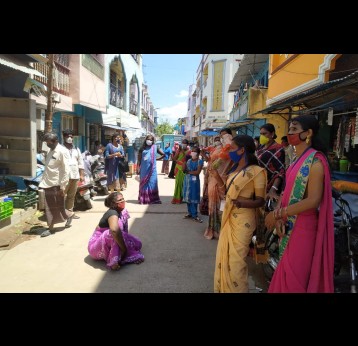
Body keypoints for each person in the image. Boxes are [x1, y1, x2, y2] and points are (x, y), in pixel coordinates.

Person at [265, 115, 334, 293]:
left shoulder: (316, 162)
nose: (289, 133)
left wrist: (279, 214)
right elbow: (286, 191)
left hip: (304, 227)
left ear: (308, 133)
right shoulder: (296, 159)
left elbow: (313, 200)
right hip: (288, 223)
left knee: (295, 278)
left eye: (294, 129)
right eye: (289, 129)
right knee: (285, 274)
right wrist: (280, 214)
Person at [213, 135, 267, 293]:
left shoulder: (257, 171)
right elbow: (226, 193)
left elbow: (260, 201)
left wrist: (241, 203)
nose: (229, 152)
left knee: (236, 262)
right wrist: (217, 177)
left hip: (244, 220)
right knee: (225, 257)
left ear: (242, 150)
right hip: (229, 215)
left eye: (232, 148)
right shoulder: (234, 168)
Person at [88, 192, 144, 270]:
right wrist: (124, 249)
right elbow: (114, 230)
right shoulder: (112, 213)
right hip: (95, 246)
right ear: (114, 203)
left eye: (123, 199)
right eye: (120, 200)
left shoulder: (122, 211)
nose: (123, 201)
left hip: (109, 240)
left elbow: (124, 232)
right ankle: (114, 262)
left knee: (138, 244)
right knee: (113, 233)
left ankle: (120, 253)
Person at [38, 132, 73, 237]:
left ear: (56, 141)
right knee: (54, 206)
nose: (47, 144)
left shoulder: (63, 151)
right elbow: (48, 165)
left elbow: (66, 170)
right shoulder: (49, 150)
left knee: (51, 207)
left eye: (49, 142)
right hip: (47, 182)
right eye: (46, 142)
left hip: (56, 184)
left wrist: (63, 186)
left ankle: (50, 228)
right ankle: (69, 214)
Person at [203, 135, 234, 240]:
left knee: (222, 206)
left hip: (222, 181)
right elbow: (211, 165)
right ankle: (216, 229)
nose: (221, 141)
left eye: (224, 139)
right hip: (215, 180)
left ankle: (219, 230)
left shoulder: (228, 152)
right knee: (216, 206)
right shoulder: (220, 150)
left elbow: (213, 166)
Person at [256, 123, 285, 200]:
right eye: (261, 134)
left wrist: (273, 189)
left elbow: (280, 171)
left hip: (270, 186)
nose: (262, 136)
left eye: (265, 133)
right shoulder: (261, 147)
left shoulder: (278, 149)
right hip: (259, 183)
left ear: (272, 134)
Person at [62, 129, 84, 225]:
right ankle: (61, 213)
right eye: (67, 136)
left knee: (71, 196)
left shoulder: (76, 149)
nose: (70, 138)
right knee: (62, 196)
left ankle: (70, 213)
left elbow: (80, 162)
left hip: (75, 176)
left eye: (71, 136)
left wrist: (82, 174)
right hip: (64, 177)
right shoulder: (60, 149)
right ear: (64, 137)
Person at [136, 134, 164, 204]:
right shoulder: (142, 148)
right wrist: (137, 168)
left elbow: (163, 154)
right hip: (144, 170)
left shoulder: (155, 147)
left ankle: (153, 199)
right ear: (145, 140)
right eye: (148, 139)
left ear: (153, 141)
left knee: (152, 183)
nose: (149, 141)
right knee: (144, 184)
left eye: (151, 140)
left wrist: (156, 159)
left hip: (152, 170)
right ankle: (144, 199)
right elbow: (139, 160)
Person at [182, 147, 204, 223]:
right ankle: (190, 213)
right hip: (187, 181)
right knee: (188, 197)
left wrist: (189, 172)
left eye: (194, 151)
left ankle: (195, 215)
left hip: (194, 183)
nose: (192, 153)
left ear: (198, 153)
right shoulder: (188, 161)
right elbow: (183, 170)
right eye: (192, 151)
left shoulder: (200, 162)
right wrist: (184, 160)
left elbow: (197, 172)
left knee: (194, 197)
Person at [171, 139, 191, 204]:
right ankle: (177, 198)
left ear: (187, 144)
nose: (183, 144)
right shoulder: (178, 151)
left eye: (185, 143)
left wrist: (182, 152)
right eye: (182, 143)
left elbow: (188, 159)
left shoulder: (189, 151)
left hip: (185, 169)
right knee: (178, 183)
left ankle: (184, 197)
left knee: (184, 183)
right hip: (178, 168)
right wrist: (178, 161)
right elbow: (174, 159)